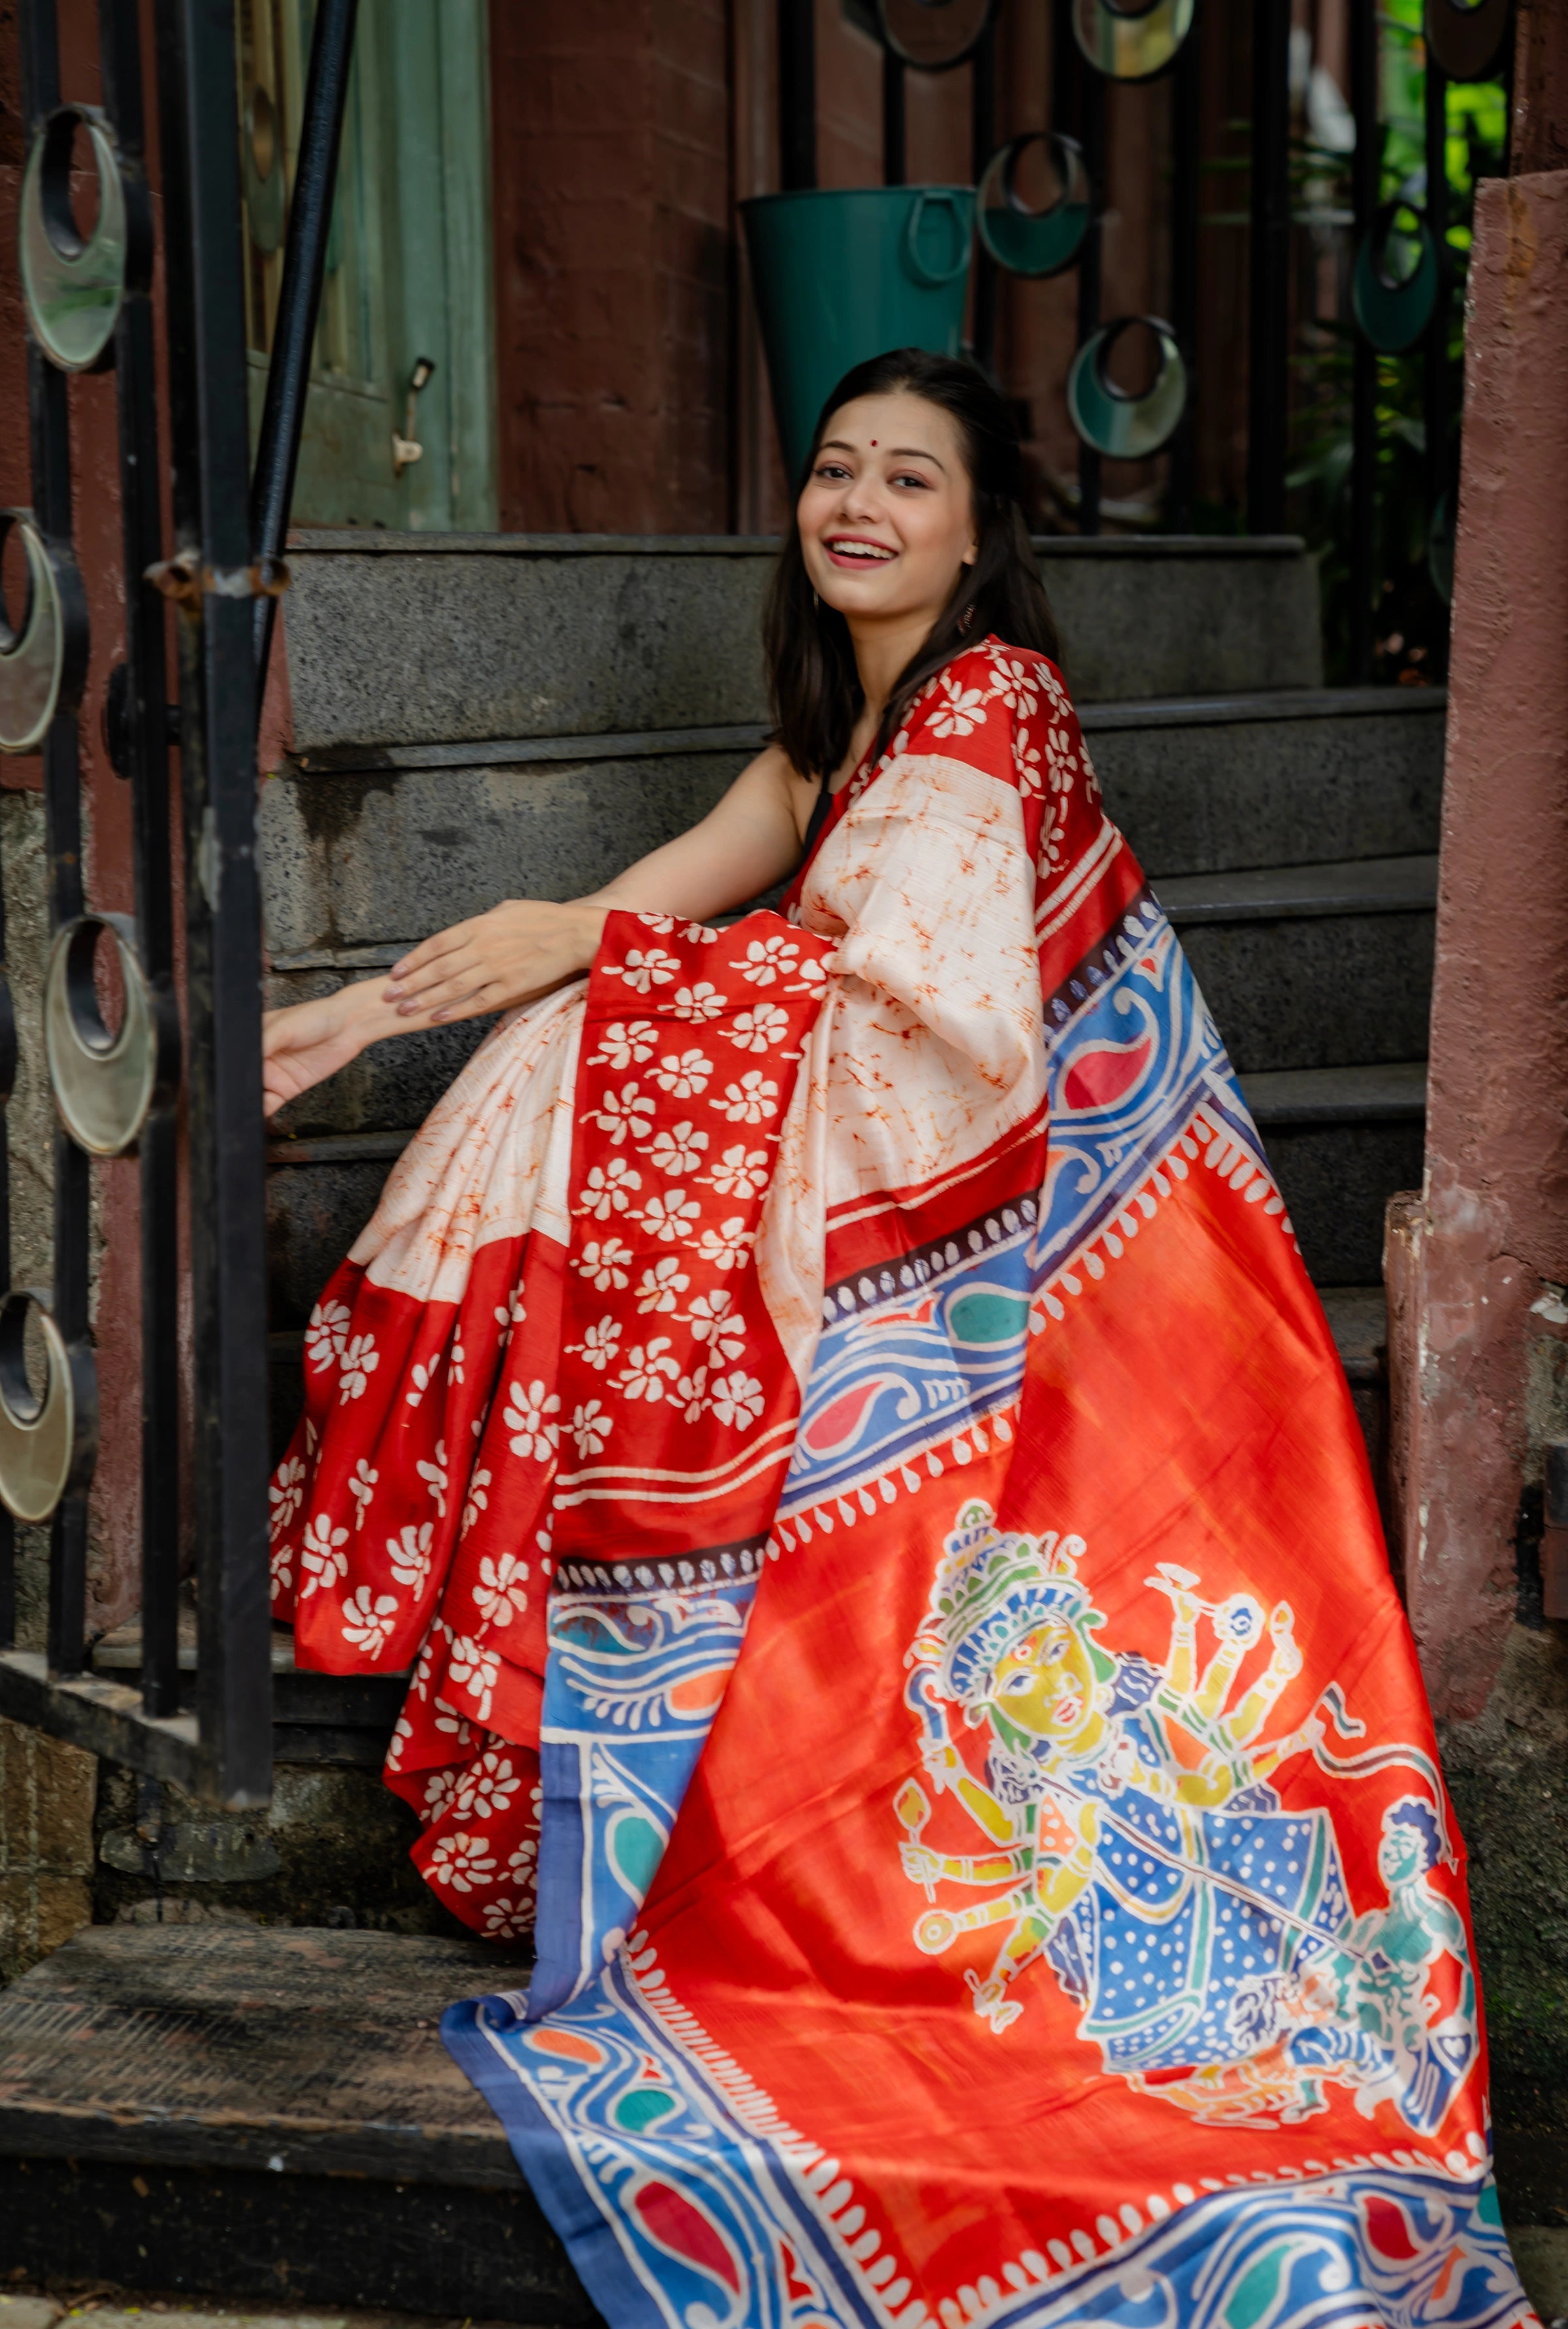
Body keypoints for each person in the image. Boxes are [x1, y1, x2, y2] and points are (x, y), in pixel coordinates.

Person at [265, 352, 1528, 2329]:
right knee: (574, 1030)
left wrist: (629, 990)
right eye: (836, 468)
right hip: (967, 1202)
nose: (859, 502)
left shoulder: (991, 703)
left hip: (1095, 1274)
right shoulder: (825, 749)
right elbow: (604, 921)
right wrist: (362, 1015)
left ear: (976, 528)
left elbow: (927, 1035)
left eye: (910, 478)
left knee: (619, 1051)